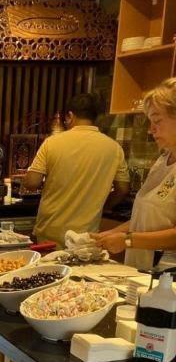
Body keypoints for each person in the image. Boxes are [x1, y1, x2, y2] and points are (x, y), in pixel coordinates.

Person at [22, 93, 130, 248]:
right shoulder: (114, 148)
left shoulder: (52, 143)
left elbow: (32, 183)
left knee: (48, 264)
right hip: (86, 235)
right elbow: (123, 189)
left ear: (70, 116)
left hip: (51, 231)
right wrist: (103, 206)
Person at [94, 78, 176, 270]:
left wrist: (128, 240)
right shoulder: (162, 161)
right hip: (142, 271)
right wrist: (111, 234)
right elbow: (145, 218)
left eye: (157, 121)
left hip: (168, 277)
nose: (151, 129)